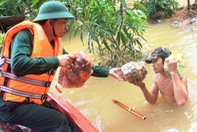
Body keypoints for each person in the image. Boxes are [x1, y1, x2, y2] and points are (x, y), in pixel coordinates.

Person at [0, 1, 123, 131]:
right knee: (59, 122)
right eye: (63, 22)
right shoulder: (25, 35)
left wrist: (108, 72)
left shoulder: (54, 44)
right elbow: (19, 66)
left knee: (67, 120)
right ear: (50, 23)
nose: (67, 27)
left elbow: (79, 65)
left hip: (29, 100)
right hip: (10, 105)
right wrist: (57, 61)